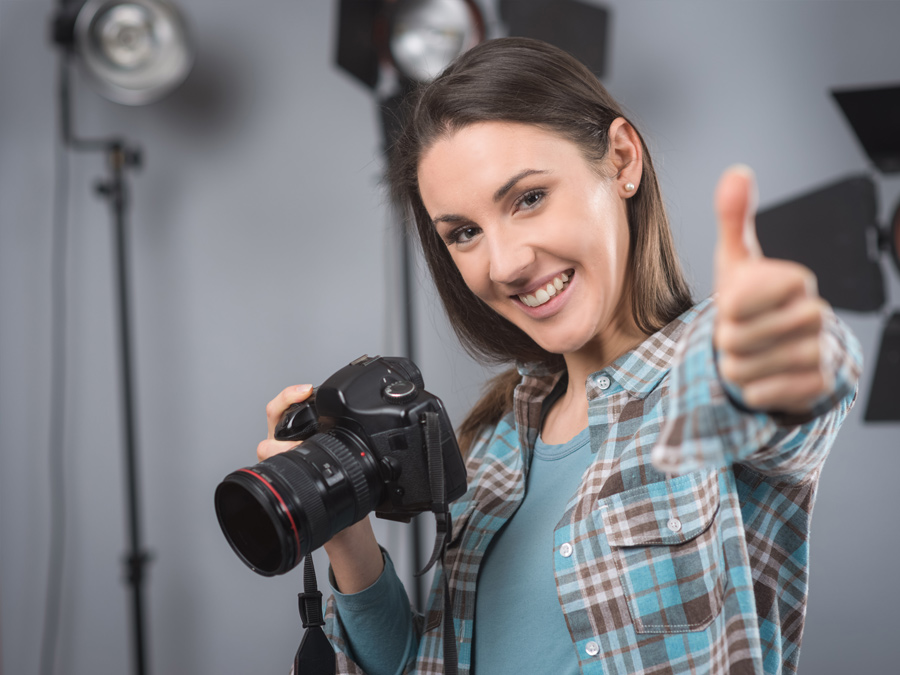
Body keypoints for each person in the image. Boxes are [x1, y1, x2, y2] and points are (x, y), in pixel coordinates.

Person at [257, 38, 861, 675]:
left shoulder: (703, 377)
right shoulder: (489, 447)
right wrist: (346, 535)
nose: (506, 264)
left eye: (529, 198)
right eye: (464, 233)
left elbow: (799, 390)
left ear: (622, 160)